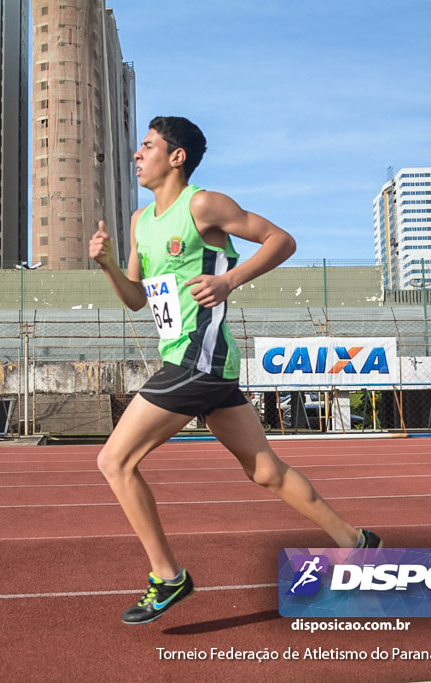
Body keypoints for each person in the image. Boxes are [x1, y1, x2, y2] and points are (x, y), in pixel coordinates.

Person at [88, 116, 382, 626]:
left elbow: (281, 240)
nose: (137, 155)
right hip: (193, 358)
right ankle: (357, 542)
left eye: (148, 146)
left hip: (198, 357)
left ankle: (167, 576)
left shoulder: (203, 205)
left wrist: (231, 281)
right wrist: (110, 265)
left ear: (176, 157)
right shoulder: (139, 221)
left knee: (114, 461)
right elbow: (137, 300)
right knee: (265, 470)